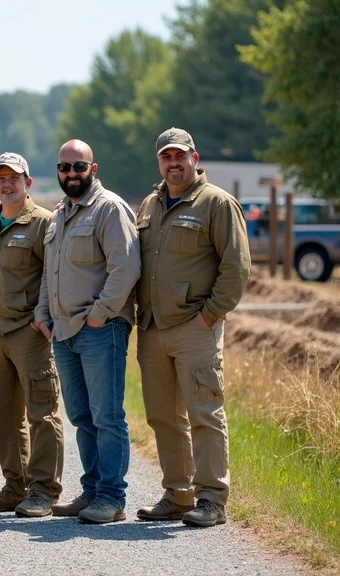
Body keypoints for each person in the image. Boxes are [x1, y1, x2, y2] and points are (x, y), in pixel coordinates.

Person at [134, 128, 250, 527]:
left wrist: (209, 316)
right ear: (159, 163)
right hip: (152, 328)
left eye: (180, 156)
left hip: (194, 327)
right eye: (166, 157)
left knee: (204, 412)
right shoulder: (150, 204)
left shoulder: (217, 203)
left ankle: (212, 499)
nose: (173, 163)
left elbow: (237, 268)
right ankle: (178, 494)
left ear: (195, 158)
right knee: (163, 417)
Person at [35, 140, 141, 524]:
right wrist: (43, 313)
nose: (70, 174)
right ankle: (93, 491)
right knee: (81, 417)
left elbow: (126, 268)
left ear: (93, 169)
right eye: (64, 167)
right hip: (64, 333)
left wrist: (99, 315)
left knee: (106, 417)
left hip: (100, 330)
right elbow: (51, 273)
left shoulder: (109, 209)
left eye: (78, 167)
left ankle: (111, 499)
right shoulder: (59, 214)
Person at [0, 152, 65, 517]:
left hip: (29, 332)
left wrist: (42, 318)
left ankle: (44, 489)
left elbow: (51, 276)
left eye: (14, 178)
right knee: (2, 415)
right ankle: (14, 485)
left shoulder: (44, 223)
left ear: (28, 183)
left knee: (42, 412)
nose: (7, 184)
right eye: (1, 178)